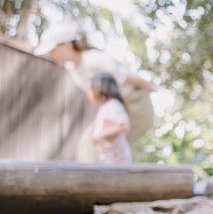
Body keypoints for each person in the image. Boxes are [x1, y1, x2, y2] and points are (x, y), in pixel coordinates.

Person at [34, 24, 156, 160]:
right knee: (91, 143)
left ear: (66, 44)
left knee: (109, 145)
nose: (51, 55)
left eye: (52, 50)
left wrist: (152, 87)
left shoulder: (93, 59)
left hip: (136, 104)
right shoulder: (73, 69)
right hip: (117, 107)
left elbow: (128, 77)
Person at [89, 73, 132, 165]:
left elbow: (123, 126)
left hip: (117, 160)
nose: (90, 94)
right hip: (109, 159)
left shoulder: (112, 105)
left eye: (91, 90)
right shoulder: (105, 107)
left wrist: (101, 136)